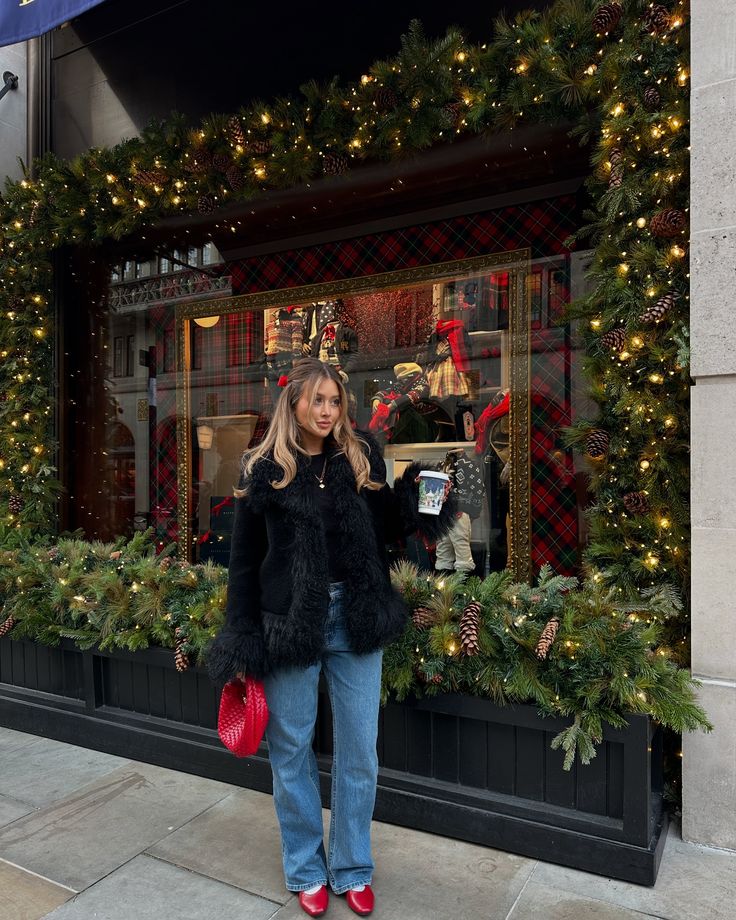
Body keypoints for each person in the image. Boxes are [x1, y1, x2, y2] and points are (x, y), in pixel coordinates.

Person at [207, 357, 455, 918]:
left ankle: (351, 866)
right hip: (291, 624)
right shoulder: (264, 468)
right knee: (292, 749)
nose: (326, 411)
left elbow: (388, 526)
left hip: (356, 616)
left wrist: (421, 495)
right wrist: (242, 638)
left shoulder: (359, 454)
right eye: (316, 400)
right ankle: (305, 866)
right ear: (292, 403)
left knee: (360, 751)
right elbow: (243, 564)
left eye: (335, 401)